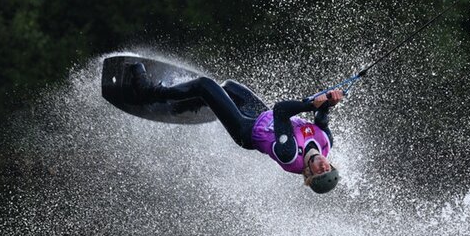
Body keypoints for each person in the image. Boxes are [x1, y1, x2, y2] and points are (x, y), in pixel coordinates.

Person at [130, 63, 343, 193]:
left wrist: (309, 104)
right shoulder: (325, 142)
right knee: (230, 87)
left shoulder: (290, 156)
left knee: (205, 84)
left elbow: (281, 111)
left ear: (308, 174)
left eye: (319, 173)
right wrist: (329, 102)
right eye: (328, 169)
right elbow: (321, 119)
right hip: (261, 115)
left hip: (246, 130)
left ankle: (150, 92)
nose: (323, 167)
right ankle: (192, 103)